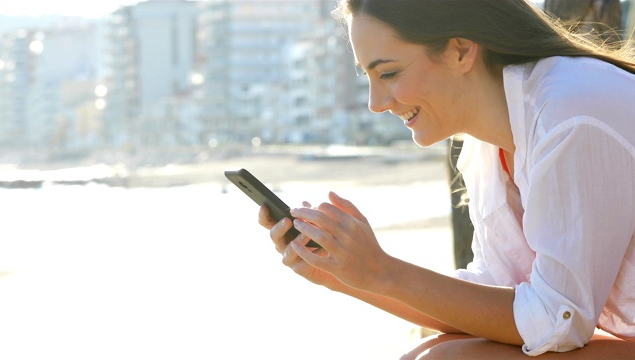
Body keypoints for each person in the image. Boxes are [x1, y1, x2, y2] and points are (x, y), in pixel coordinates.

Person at [259, 0, 635, 358]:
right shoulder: (486, 145)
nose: (375, 102)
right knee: (430, 353)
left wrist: (381, 270)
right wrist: (345, 275)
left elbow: (556, 320)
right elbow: (502, 300)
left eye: (388, 73)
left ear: (460, 51)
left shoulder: (569, 115)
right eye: (369, 78)